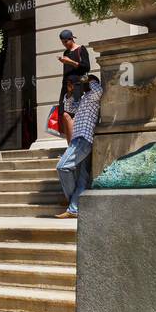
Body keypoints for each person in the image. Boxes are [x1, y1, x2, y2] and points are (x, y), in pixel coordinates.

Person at [55, 73, 102, 219]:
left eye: (88, 82)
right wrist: (69, 93)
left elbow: (99, 90)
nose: (84, 84)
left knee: (62, 166)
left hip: (83, 139)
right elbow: (70, 107)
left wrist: (90, 79)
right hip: (80, 139)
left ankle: (72, 201)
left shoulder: (94, 96)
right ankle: (74, 208)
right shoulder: (83, 99)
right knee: (82, 178)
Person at [56, 29, 90, 140]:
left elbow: (86, 67)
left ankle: (76, 144)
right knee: (63, 114)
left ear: (71, 39)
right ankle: (69, 146)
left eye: (65, 42)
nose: (64, 44)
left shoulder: (81, 49)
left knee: (74, 115)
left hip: (78, 86)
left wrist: (70, 62)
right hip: (66, 87)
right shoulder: (66, 53)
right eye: (62, 42)